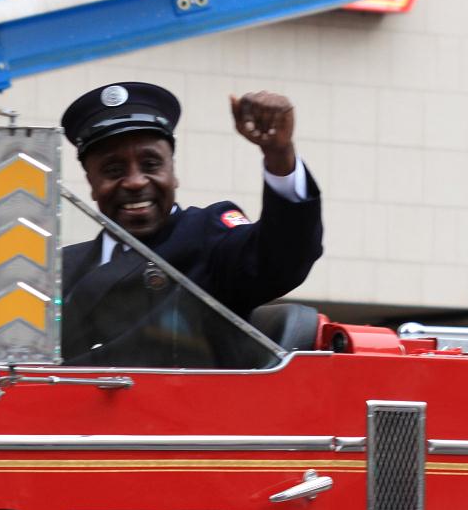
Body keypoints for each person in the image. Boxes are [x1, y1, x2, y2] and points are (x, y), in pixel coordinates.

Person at [58, 82, 323, 368]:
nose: (135, 181)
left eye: (150, 165)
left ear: (173, 172)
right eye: (113, 171)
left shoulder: (207, 238)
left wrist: (279, 156)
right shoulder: (62, 268)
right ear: (92, 184)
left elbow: (280, 259)